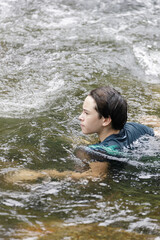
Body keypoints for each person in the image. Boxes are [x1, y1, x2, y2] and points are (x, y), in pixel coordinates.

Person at [5, 86, 159, 183]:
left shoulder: (99, 152)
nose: (80, 117)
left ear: (106, 120)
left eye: (86, 113)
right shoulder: (136, 127)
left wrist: (40, 174)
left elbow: (96, 177)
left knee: (82, 153)